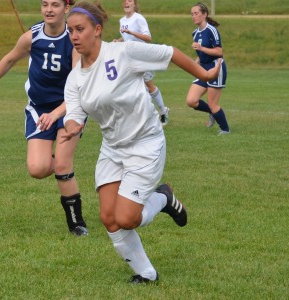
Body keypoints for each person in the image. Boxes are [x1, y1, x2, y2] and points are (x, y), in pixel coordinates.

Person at [62, 1, 221, 283]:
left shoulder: (124, 51)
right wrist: (71, 126)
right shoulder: (75, 78)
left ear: (97, 30)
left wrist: (206, 75)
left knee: (127, 218)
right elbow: (74, 115)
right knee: (109, 218)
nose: (74, 35)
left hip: (145, 144)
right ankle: (146, 274)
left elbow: (169, 52)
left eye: (80, 29)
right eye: (70, 30)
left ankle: (163, 198)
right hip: (112, 149)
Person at [0, 0, 89, 236]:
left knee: (64, 164)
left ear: (66, 9)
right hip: (38, 109)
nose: (49, 9)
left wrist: (57, 113)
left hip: (70, 108)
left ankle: (77, 224)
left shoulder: (73, 39)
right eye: (45, 4)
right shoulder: (32, 37)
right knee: (38, 168)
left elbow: (78, 89)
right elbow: (7, 60)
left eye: (55, 5)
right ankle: (63, 168)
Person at [113, 0, 169, 126]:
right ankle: (134, 117)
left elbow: (148, 38)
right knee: (129, 86)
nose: (127, 3)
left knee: (149, 87)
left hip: (142, 56)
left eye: (130, 1)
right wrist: (119, 40)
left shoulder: (139, 18)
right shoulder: (122, 20)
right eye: (125, 1)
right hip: (129, 57)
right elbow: (127, 38)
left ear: (134, 4)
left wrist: (132, 32)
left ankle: (163, 111)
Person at [186, 2, 230, 135]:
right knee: (191, 101)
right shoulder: (195, 33)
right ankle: (212, 113)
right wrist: (195, 64)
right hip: (203, 69)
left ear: (204, 14)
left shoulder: (212, 30)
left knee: (212, 103)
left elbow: (219, 52)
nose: (193, 16)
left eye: (196, 13)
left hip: (216, 68)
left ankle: (225, 129)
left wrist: (201, 48)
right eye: (192, 14)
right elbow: (201, 55)